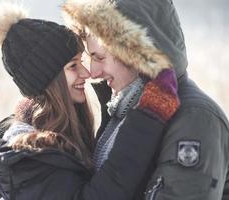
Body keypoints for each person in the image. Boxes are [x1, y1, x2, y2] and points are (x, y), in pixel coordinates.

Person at [0, 2, 180, 200]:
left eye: (83, 61)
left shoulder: (53, 133)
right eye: (73, 66)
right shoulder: (32, 159)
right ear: (49, 82)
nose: (87, 72)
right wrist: (149, 115)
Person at [62, 0, 229, 199]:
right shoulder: (125, 110)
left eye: (100, 58)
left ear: (136, 53)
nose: (93, 72)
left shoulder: (194, 119)